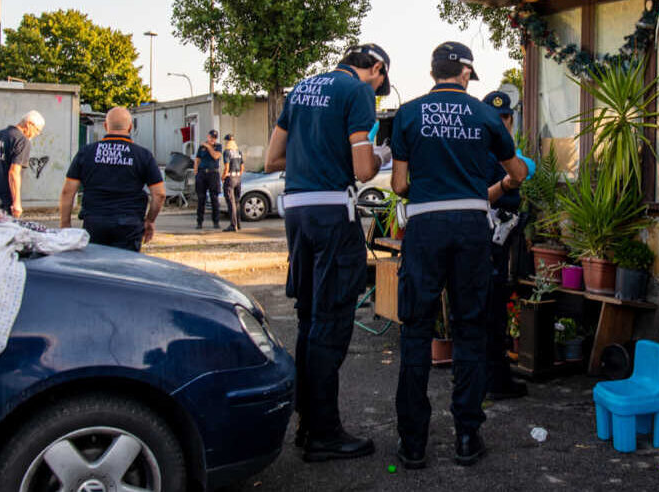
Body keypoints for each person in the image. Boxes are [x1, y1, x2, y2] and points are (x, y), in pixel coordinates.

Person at [390, 42, 527, 470]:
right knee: (470, 330)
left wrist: (431, 189)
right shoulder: (487, 115)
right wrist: (499, 183)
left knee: (416, 331)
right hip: (471, 227)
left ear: (434, 71)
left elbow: (397, 184)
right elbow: (517, 172)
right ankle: (467, 436)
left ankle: (413, 444)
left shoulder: (408, 114)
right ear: (465, 73)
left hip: (426, 227)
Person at [265, 43, 393, 463]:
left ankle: (306, 422)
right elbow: (362, 171)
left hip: (296, 212)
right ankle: (323, 433)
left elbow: (271, 159)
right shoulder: (355, 91)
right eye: (379, 83)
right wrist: (382, 154)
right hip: (331, 212)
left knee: (308, 316)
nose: (376, 91)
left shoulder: (300, 88)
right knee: (332, 319)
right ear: (375, 68)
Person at [482, 90, 535, 400]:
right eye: (495, 117)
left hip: (505, 236)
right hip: (487, 236)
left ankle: (497, 376)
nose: (502, 122)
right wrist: (506, 184)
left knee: (498, 308)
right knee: (488, 310)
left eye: (506, 117)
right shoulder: (482, 151)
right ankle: (491, 380)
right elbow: (479, 197)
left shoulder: (508, 150)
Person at [59, 107, 165, 251]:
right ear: (130, 127)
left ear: (105, 126)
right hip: (129, 224)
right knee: (124, 270)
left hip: (95, 223)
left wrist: (65, 225)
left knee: (96, 268)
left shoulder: (86, 153)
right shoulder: (143, 155)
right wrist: (150, 220)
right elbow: (159, 194)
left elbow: (67, 192)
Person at [0, 110, 45, 218]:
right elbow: (14, 172)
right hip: (1, 201)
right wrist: (17, 203)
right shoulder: (22, 141)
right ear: (29, 124)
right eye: (37, 130)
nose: (37, 134)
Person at [194, 129, 222, 229]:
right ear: (208, 136)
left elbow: (215, 156)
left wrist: (209, 146)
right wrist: (196, 172)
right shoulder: (201, 147)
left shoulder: (218, 146)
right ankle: (199, 222)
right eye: (211, 137)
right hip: (202, 173)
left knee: (214, 198)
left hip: (213, 173)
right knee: (201, 198)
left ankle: (216, 222)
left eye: (214, 138)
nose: (212, 139)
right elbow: (197, 159)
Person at [222, 133, 244, 232]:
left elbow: (226, 167)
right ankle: (238, 224)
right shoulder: (238, 151)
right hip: (238, 177)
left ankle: (233, 225)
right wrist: (239, 174)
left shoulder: (227, 152)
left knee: (231, 203)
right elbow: (242, 166)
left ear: (227, 141)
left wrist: (223, 176)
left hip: (230, 178)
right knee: (237, 201)